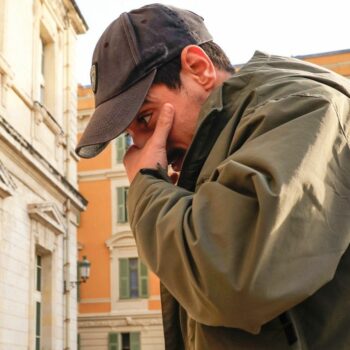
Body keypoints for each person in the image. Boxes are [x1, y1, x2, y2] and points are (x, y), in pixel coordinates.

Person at [76, 4, 350, 349]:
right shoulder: (227, 141)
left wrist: (147, 184)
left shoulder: (305, 108)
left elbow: (230, 278)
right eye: (130, 136)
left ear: (198, 68)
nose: (142, 147)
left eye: (145, 118)